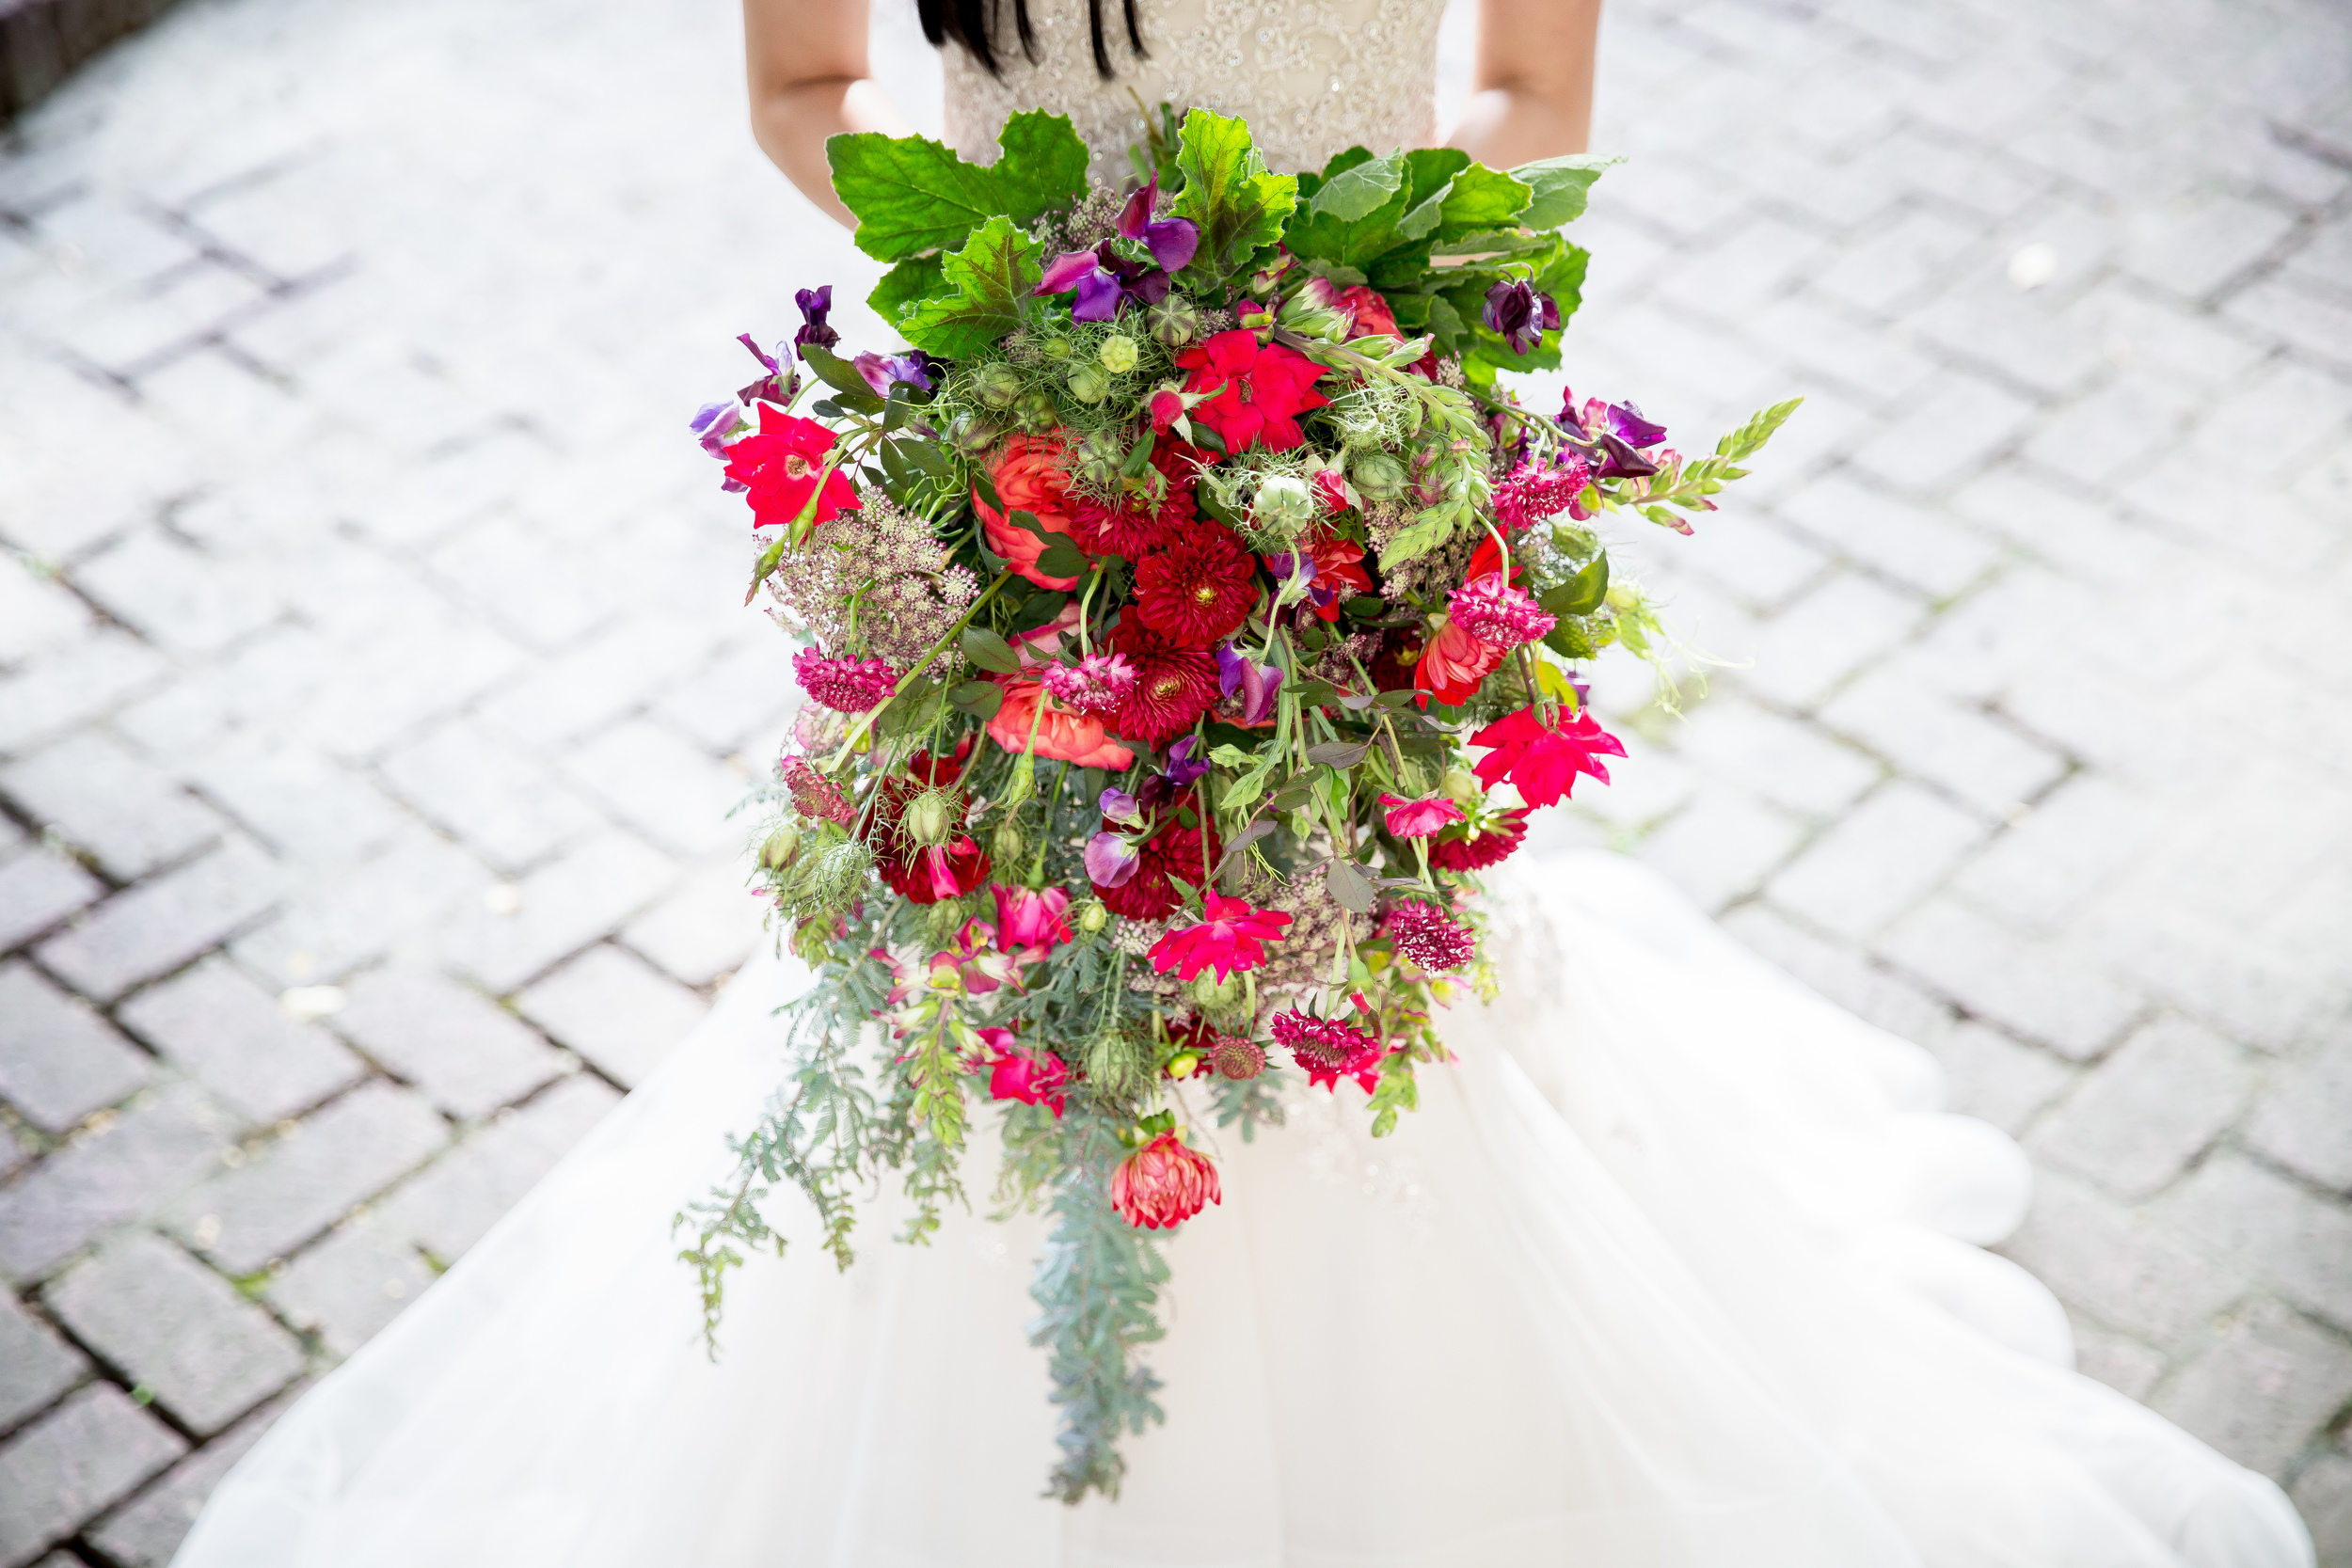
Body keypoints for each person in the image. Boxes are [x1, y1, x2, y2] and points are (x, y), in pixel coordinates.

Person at [171, 4, 2316, 1564]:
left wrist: (1339, 352)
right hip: (1044, 486)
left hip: (1322, 465)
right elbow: (821, 92)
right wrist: (1038, 318)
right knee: (1044, 948)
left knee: (1329, 937)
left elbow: (1514, 98)